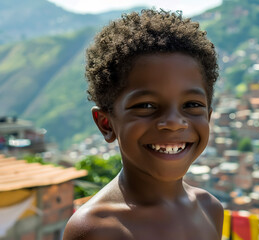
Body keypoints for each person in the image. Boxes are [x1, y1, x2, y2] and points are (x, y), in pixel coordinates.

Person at [63, 9, 223, 240]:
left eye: (191, 104)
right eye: (146, 106)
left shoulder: (210, 209)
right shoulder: (96, 229)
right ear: (106, 124)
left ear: (208, 116)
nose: (174, 123)